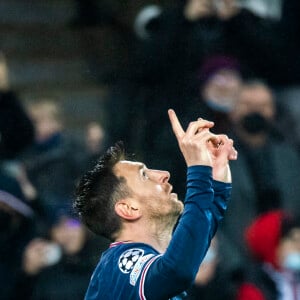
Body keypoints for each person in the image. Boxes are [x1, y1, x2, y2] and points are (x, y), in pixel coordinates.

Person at [74, 109, 237, 299]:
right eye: (144, 175)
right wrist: (197, 170)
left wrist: (214, 174)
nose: (163, 174)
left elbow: (196, 237)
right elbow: (176, 271)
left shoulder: (150, 275)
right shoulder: (120, 262)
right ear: (129, 208)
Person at [236, 210, 300, 300]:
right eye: (294, 241)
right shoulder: (255, 289)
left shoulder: (293, 279)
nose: (298, 247)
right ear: (274, 243)